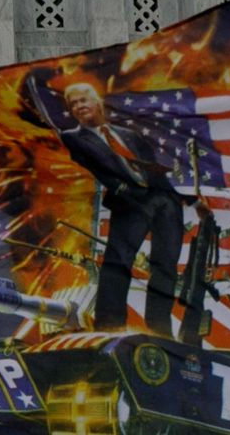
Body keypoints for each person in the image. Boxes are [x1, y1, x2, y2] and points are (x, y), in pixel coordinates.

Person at [58, 80, 185, 336]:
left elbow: (152, 168)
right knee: (117, 265)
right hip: (128, 202)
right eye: (73, 104)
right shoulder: (72, 138)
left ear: (98, 103)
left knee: (165, 267)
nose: (79, 106)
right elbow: (98, 169)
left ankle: (160, 330)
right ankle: (110, 327)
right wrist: (127, 192)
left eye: (83, 100)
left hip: (163, 201)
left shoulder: (129, 135)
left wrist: (183, 200)